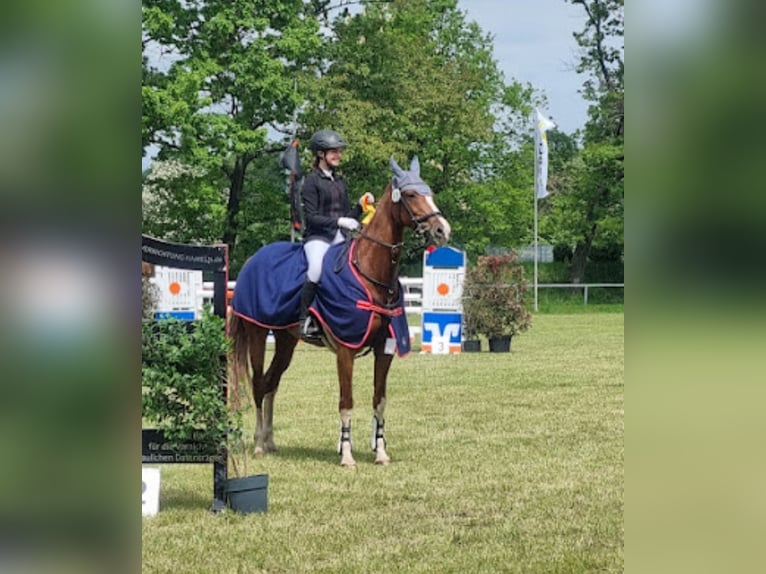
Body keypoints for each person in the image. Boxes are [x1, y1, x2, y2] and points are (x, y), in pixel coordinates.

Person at [299, 129, 374, 339]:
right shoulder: (311, 181)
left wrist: (359, 207)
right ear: (320, 154)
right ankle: (305, 320)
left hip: (340, 237)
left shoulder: (340, 182)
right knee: (315, 269)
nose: (338, 155)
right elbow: (312, 217)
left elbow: (346, 216)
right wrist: (340, 221)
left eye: (339, 152)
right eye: (334, 152)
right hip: (317, 237)